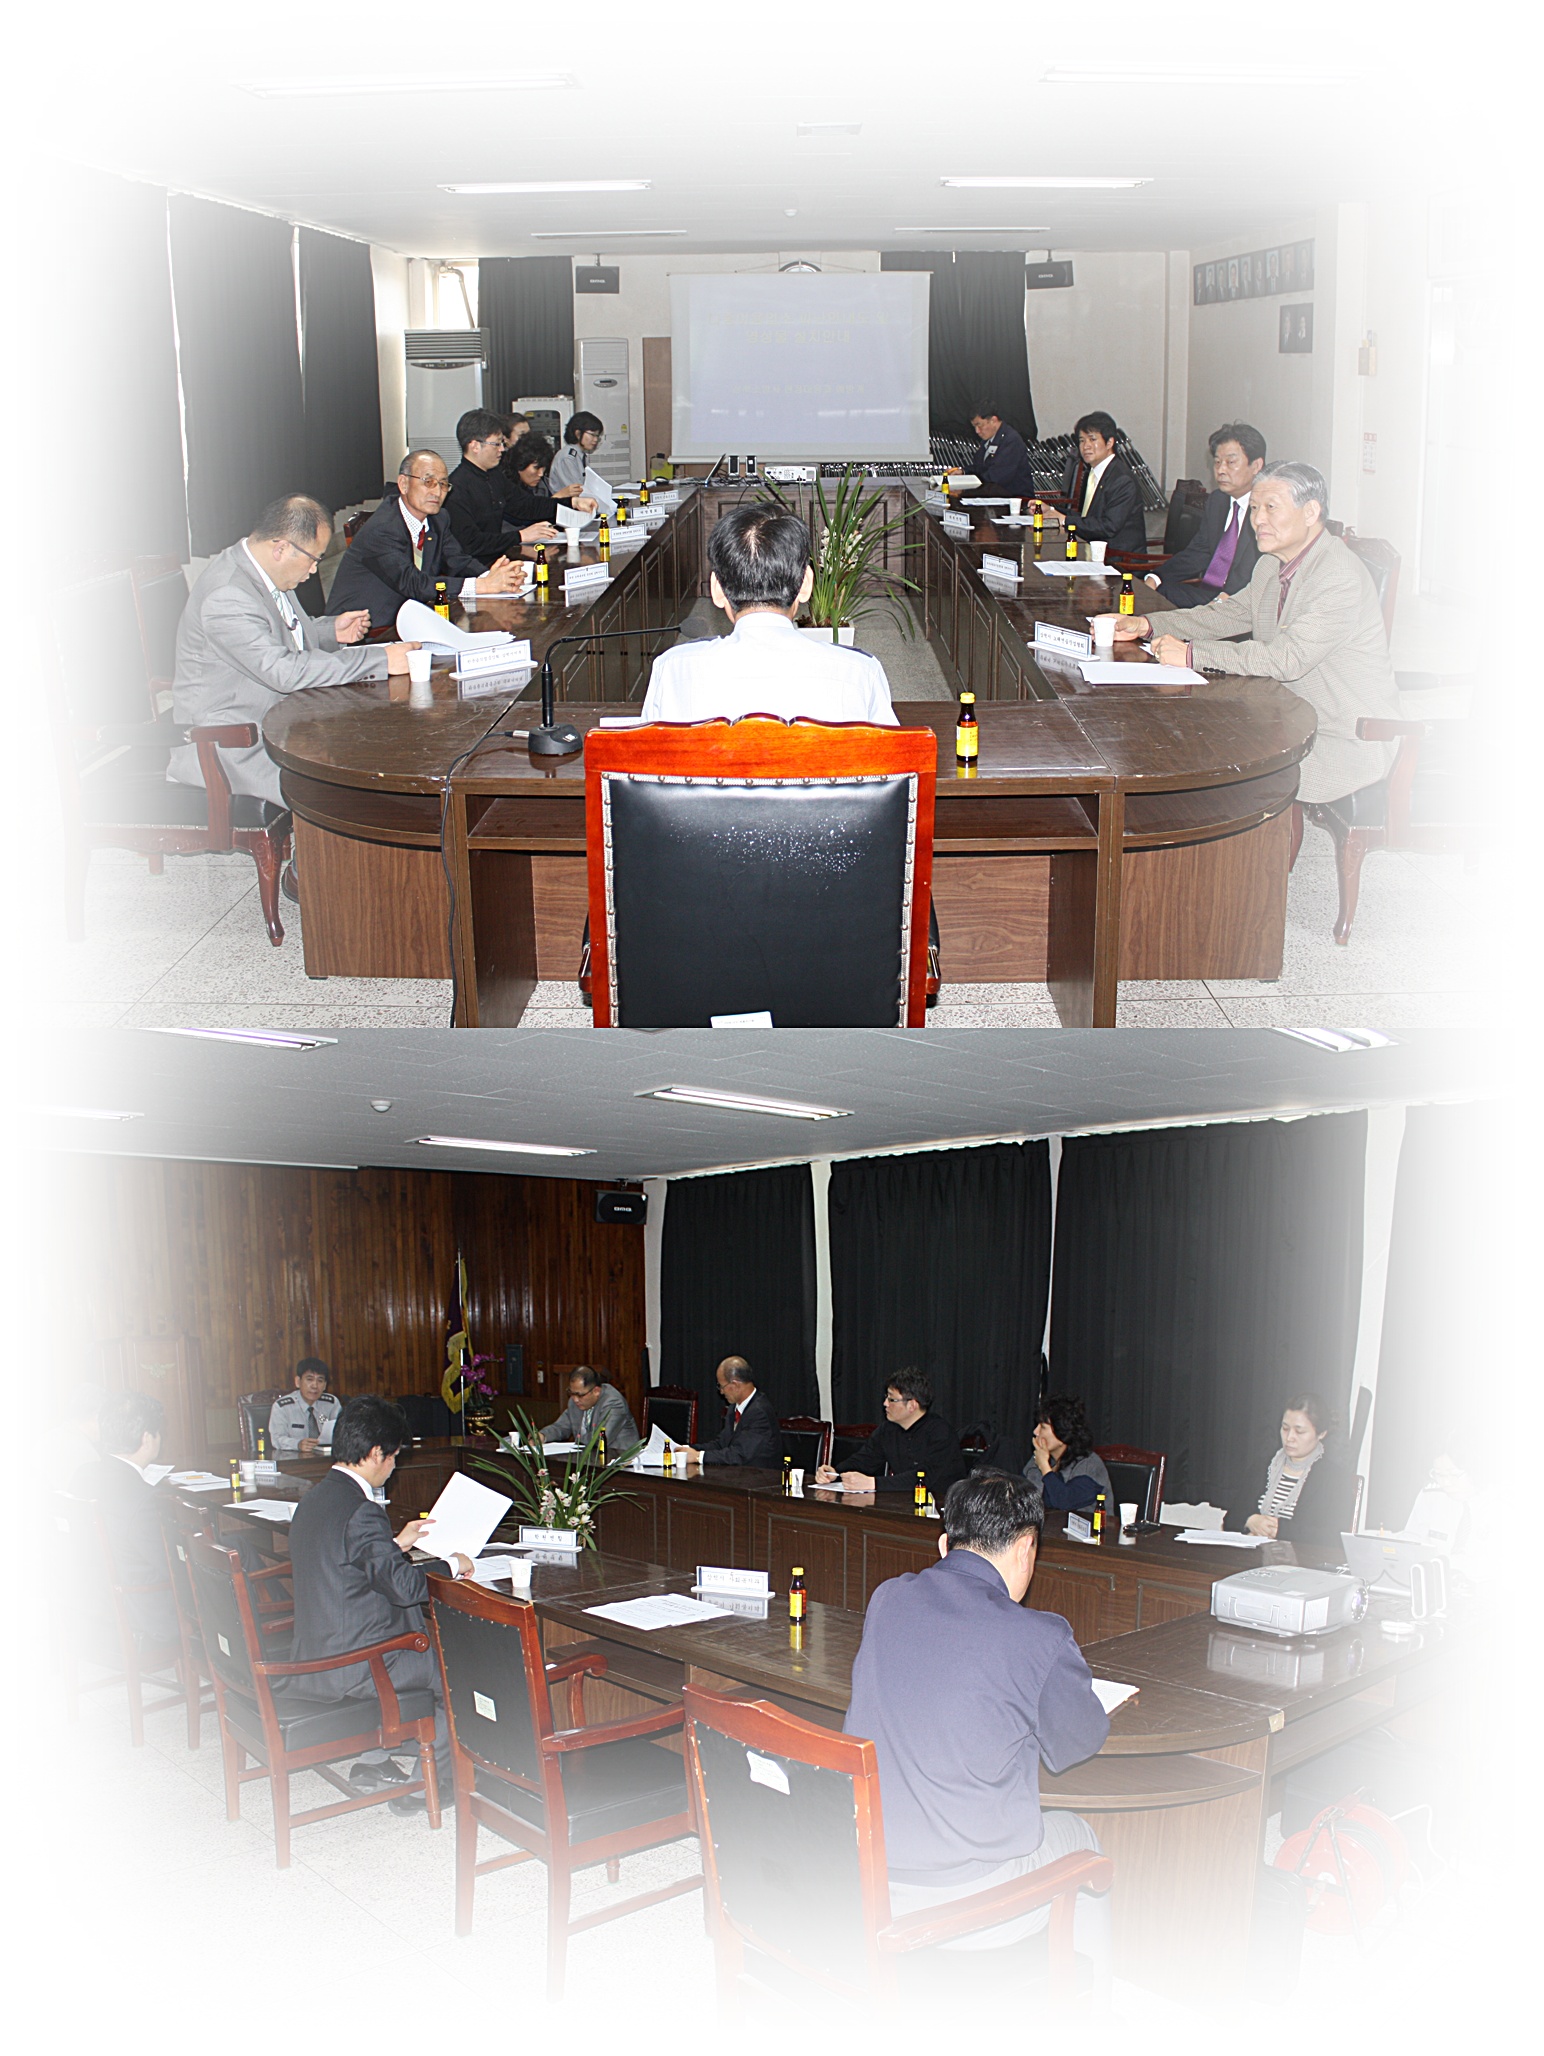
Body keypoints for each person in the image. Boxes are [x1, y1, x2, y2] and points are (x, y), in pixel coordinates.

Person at [844, 1470, 1112, 1963]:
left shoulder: (887, 1598)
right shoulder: (1040, 1636)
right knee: (1081, 1837)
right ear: (1027, 1549)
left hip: (870, 1874)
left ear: (945, 1544)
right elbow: (1079, 1742)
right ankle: (1089, 1990)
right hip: (966, 1896)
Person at [1111, 461, 1402, 804]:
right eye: (1253, 508)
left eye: (1271, 508)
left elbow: (1286, 658)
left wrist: (1191, 654)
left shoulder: (1338, 576)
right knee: (1188, 736)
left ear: (1310, 512)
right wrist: (1148, 625)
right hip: (1286, 714)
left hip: (1344, 739)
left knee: (1222, 768)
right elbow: (1227, 614)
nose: (1258, 519)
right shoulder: (1270, 564)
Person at [285, 1394, 473, 1810]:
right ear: (375, 1453)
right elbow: (404, 1588)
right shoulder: (362, 1510)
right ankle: (434, 1787)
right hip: (356, 1664)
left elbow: (344, 1561)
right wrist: (452, 1565)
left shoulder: (315, 1498)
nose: (394, 1465)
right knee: (455, 1667)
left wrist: (393, 1544)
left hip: (318, 1650)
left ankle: (373, 1762)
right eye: (394, 1456)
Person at [168, 494, 413, 809]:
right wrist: (380, 659)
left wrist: (330, 631)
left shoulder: (263, 570)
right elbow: (283, 672)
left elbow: (277, 632)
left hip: (284, 722)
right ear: (281, 548)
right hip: (236, 745)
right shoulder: (227, 595)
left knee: (377, 746)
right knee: (354, 788)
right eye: (313, 559)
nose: (313, 570)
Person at [640, 506, 896, 726]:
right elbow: (893, 762)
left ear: (716, 589)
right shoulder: (860, 672)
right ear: (806, 584)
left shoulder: (672, 669)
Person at [325, 449, 529, 625]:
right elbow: (414, 584)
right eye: (428, 482)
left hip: (412, 617)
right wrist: (482, 585)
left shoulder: (438, 518)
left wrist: (496, 577)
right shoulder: (382, 529)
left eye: (443, 484)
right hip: (366, 629)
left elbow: (458, 560)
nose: (437, 492)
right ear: (403, 484)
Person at [70, 1391, 178, 1643]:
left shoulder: (84, 1473)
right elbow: (171, 1566)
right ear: (147, 1438)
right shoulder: (143, 1498)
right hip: (143, 1616)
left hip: (93, 1606)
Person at [1146, 422, 1265, 607]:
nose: (1221, 470)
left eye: (1231, 462)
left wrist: (1223, 600)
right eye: (1217, 462)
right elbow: (1199, 551)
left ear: (1256, 465)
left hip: (1241, 602)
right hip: (1208, 593)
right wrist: (1156, 577)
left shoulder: (1266, 510)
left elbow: (1256, 570)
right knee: (1158, 594)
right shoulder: (1218, 500)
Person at [815, 1367, 965, 1501]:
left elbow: (924, 1477)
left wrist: (873, 1483)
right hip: (905, 1503)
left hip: (944, 1506)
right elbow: (864, 1460)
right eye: (886, 1397)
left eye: (891, 1399)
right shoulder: (888, 1430)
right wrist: (834, 1472)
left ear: (912, 1405)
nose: (885, 1403)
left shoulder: (941, 1432)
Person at [1226, 1393, 1355, 1545]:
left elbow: (1333, 1536)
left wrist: (1279, 1530)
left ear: (1321, 1434)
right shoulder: (1262, 1466)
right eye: (1285, 1428)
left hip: (1299, 1557)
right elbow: (1231, 1519)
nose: (1289, 1438)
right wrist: (1250, 1520)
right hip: (1252, 1553)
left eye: (1299, 1431)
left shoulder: (1334, 1479)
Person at [445, 408, 561, 564]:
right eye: (497, 444)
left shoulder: (494, 475)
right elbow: (471, 543)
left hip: (499, 561)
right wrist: (521, 536)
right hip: (475, 569)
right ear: (475, 446)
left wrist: (571, 503)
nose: (502, 449)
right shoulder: (456, 488)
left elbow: (526, 505)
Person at [1060, 411, 1147, 555]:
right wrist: (1051, 511)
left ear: (1109, 442)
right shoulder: (1093, 473)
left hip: (1119, 560)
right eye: (1082, 440)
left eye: (1092, 439)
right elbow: (1086, 516)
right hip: (1094, 551)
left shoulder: (1122, 480)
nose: (1086, 446)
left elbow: (1108, 526)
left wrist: (1065, 520)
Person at [1025, 1394, 1117, 1518]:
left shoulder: (1089, 1465)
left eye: (1043, 1427)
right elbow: (1023, 1498)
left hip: (1090, 1529)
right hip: (1049, 1528)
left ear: (1062, 1432)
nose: (1035, 1432)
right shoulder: (1039, 1459)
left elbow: (1064, 1502)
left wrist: (1045, 1469)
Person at [681, 1356, 781, 1469]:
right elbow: (721, 1444)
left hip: (760, 1476)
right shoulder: (734, 1407)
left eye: (721, 1386)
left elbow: (739, 1455)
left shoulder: (759, 1412)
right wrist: (688, 1449)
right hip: (739, 1474)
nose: (721, 1392)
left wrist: (698, 1457)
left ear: (735, 1385)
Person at [501, 432, 599, 531]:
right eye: (536, 468)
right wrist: (559, 497)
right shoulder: (505, 488)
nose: (540, 474)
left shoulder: (542, 484)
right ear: (520, 465)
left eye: (543, 468)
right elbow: (528, 514)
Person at [540, 1365, 641, 1451]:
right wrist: (542, 1436)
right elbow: (561, 1426)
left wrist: (578, 1440)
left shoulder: (614, 1402)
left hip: (620, 1460)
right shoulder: (575, 1401)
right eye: (571, 1393)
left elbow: (600, 1438)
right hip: (591, 1459)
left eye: (580, 1395)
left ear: (596, 1391)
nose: (575, 1399)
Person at [954, 405, 1034, 499]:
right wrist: (963, 472)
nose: (977, 431)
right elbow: (980, 467)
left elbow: (997, 477)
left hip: (1015, 499)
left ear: (993, 420)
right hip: (994, 495)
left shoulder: (1011, 440)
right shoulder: (988, 439)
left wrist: (966, 487)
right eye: (974, 426)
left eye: (979, 425)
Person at [268, 1358, 343, 1456]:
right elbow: (277, 1439)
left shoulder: (331, 1403)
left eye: (320, 1380)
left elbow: (342, 1434)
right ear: (298, 1382)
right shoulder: (282, 1407)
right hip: (296, 1460)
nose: (315, 1386)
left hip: (327, 1458)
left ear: (325, 1385)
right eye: (309, 1379)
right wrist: (297, 1444)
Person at [549, 410, 605, 497]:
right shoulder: (568, 457)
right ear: (578, 434)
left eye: (597, 436)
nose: (595, 439)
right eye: (593, 435)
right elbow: (577, 491)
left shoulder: (580, 455)